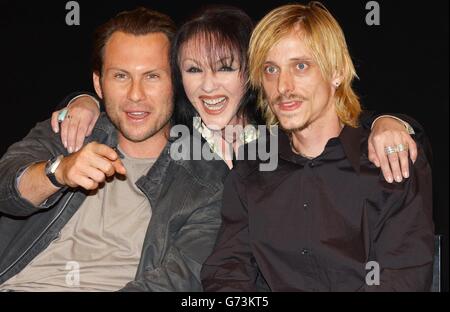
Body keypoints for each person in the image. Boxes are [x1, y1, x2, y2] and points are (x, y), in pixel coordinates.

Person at [200, 2, 434, 292]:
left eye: (301, 66)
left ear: (335, 72)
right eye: (271, 69)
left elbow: (402, 278)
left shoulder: (389, 161)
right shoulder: (252, 166)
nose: (283, 86)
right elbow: (227, 271)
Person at [0, 7, 229, 292]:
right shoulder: (72, 128)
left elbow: (179, 279)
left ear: (177, 83)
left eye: (152, 76)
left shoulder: (207, 180)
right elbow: (6, 189)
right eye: (121, 76)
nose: (136, 94)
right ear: (99, 83)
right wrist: (59, 170)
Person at [53, 6, 421, 182]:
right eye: (194, 70)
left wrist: (392, 122)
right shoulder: (170, 136)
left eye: (226, 68)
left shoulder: (282, 132)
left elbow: (341, 125)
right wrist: (81, 100)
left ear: (252, 72)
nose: (208, 86)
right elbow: (126, 110)